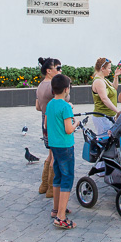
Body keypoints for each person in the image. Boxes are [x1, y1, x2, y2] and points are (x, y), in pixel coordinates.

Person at [46, 74, 79, 229]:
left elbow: (46, 125)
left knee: (58, 176)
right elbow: (68, 129)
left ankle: (56, 208)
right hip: (65, 146)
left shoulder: (50, 104)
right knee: (67, 178)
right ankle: (61, 217)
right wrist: (76, 123)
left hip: (54, 146)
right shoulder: (66, 107)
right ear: (66, 89)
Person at [36, 57, 66, 198]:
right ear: (49, 71)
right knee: (54, 155)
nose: (60, 70)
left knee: (50, 153)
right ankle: (50, 189)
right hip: (55, 122)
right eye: (57, 68)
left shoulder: (41, 85)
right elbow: (63, 101)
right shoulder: (53, 87)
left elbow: (37, 106)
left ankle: (43, 185)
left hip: (44, 119)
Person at [91, 58, 121, 136]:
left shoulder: (104, 80)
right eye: (109, 68)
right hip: (102, 117)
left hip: (108, 116)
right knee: (105, 140)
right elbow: (104, 99)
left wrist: (116, 76)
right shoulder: (99, 81)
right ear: (102, 68)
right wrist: (118, 111)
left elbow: (114, 88)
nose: (110, 70)